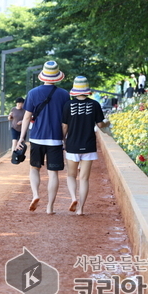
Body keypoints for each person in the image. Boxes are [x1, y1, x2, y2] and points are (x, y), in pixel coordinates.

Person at [17, 61, 70, 214]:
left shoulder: (33, 93)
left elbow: (26, 118)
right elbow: (65, 122)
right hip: (55, 138)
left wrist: (22, 138)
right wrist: (64, 139)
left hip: (37, 138)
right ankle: (50, 207)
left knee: (34, 168)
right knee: (53, 173)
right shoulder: (64, 94)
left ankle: (35, 194)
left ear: (43, 76)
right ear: (57, 77)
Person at [62, 76, 110, 215]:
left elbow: (64, 127)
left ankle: (73, 198)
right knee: (84, 179)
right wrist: (107, 123)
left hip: (72, 145)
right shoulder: (95, 104)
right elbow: (100, 125)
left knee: (71, 176)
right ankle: (81, 209)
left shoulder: (67, 105)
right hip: (88, 145)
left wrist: (62, 141)